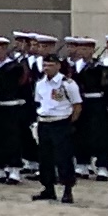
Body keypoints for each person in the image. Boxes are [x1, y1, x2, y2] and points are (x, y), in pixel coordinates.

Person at [33, 52, 83, 201]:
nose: (47, 68)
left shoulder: (67, 83)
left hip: (61, 122)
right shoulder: (40, 83)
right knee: (45, 157)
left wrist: (70, 123)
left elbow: (77, 106)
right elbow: (39, 102)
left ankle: (67, 189)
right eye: (45, 65)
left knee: (63, 157)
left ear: (58, 66)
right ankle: (48, 188)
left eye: (50, 65)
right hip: (44, 122)